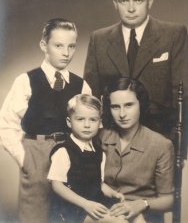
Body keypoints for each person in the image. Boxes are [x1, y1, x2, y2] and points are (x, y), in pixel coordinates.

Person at [84, 0, 188, 160]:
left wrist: (179, 150)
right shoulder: (99, 40)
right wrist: (95, 142)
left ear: (149, 2)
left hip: (160, 145)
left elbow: (185, 97)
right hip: (110, 147)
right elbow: (90, 98)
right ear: (115, 3)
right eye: (123, 1)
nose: (131, 8)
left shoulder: (173, 35)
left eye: (138, 0)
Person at [0, 18, 91, 223]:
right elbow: (6, 123)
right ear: (44, 45)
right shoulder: (26, 80)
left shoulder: (81, 86)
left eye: (71, 46)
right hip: (36, 154)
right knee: (36, 216)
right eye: (58, 45)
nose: (66, 53)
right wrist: (25, 160)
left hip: (70, 153)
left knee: (69, 214)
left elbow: (91, 125)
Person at [97, 77, 175, 223]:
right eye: (115, 107)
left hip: (143, 215)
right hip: (105, 212)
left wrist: (141, 204)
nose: (122, 114)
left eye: (129, 105)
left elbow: (168, 200)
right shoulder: (100, 137)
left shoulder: (161, 145)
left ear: (141, 105)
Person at [47, 94, 129, 223]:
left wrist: (113, 193)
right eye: (80, 119)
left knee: (132, 216)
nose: (87, 125)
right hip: (73, 208)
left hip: (94, 202)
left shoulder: (99, 152)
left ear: (100, 122)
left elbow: (99, 184)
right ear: (69, 122)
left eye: (93, 120)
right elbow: (57, 186)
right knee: (119, 221)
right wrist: (86, 204)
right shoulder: (63, 151)